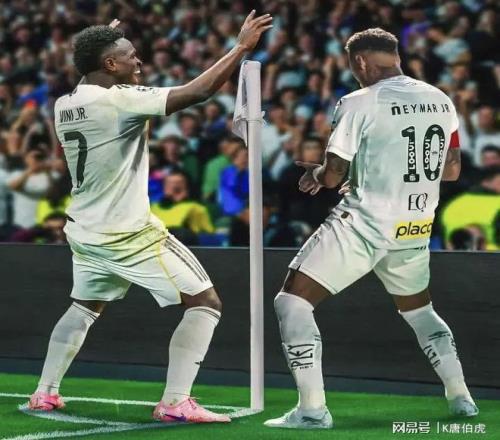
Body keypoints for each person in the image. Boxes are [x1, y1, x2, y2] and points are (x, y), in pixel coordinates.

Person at [28, 12, 272, 424]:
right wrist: (241, 48)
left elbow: (92, 68)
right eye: (129, 55)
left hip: (85, 231)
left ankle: (44, 392)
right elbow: (198, 92)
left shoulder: (65, 103)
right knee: (205, 303)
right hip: (128, 233)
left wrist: (104, 39)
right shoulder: (119, 101)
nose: (138, 61)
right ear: (109, 64)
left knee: (84, 307)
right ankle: (176, 401)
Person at [265, 28, 478, 430]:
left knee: (291, 302)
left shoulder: (358, 101)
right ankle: (461, 397)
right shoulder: (440, 98)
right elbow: (451, 170)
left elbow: (333, 174)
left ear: (360, 61)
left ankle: (312, 410)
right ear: (395, 56)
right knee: (420, 311)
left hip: (364, 224)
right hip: (415, 226)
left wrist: (318, 174)